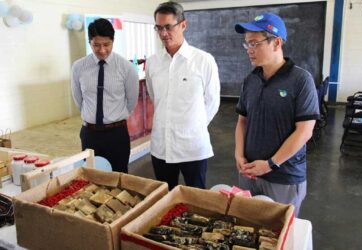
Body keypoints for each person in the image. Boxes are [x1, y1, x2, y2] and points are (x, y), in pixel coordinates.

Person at [234, 13, 320, 216]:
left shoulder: (301, 80)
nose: (249, 50)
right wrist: (239, 154)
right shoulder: (251, 80)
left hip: (284, 177)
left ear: (277, 42)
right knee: (249, 227)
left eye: (255, 43)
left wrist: (271, 164)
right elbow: (242, 121)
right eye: (247, 44)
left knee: (279, 234)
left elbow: (305, 131)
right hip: (250, 173)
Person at [146, 1, 220, 190]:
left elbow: (212, 102)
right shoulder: (153, 62)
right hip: (161, 146)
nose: (163, 33)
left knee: (196, 201)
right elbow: (156, 98)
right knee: (164, 198)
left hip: (192, 148)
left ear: (183, 25)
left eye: (168, 27)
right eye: (159, 28)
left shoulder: (203, 60)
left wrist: (193, 126)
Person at [71, 18, 139, 173]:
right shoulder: (78, 67)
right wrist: (92, 117)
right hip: (90, 134)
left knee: (120, 178)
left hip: (116, 134)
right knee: (92, 178)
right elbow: (78, 99)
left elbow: (131, 101)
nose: (102, 50)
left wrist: (113, 118)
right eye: (96, 45)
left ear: (113, 41)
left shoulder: (126, 68)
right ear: (90, 42)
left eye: (106, 45)